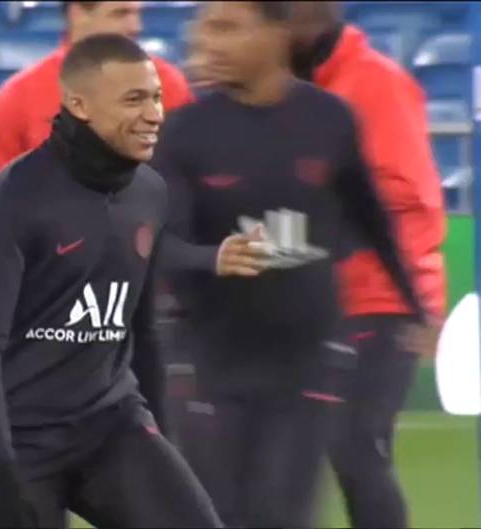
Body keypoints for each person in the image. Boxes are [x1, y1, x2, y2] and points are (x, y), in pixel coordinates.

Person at [149, 2, 431, 527]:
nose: (207, 41)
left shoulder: (329, 119)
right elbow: (161, 243)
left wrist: (416, 307)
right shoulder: (184, 132)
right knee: (217, 515)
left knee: (282, 514)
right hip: (209, 362)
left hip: (305, 361)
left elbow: (371, 217)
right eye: (204, 27)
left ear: (276, 33)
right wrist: (214, 258)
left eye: (227, 27)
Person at [0, 33, 221, 529]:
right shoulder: (16, 195)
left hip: (109, 425)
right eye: (134, 99)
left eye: (156, 96)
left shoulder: (149, 194)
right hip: (19, 438)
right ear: (79, 105)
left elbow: (141, 332)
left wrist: (162, 444)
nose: (155, 114)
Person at [287, 3, 447, 527]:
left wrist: (414, 301)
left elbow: (411, 200)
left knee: (355, 444)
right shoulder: (289, 86)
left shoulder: (377, 84)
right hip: (311, 302)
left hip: (380, 301)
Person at [0, 1, 193, 215]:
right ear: (78, 13)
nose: (136, 26)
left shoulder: (169, 84)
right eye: (120, 14)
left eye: (137, 14)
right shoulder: (20, 94)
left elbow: (193, 178)